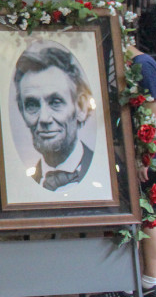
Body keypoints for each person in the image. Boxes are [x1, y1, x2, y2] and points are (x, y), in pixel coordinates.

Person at [88, 43, 156, 297]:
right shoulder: (145, 64)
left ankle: (128, 288)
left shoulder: (142, 66)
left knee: (144, 216)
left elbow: (154, 112)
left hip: (152, 159)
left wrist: (143, 157)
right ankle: (149, 285)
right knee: (149, 215)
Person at [13, 40, 96, 191]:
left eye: (56, 102)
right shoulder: (18, 186)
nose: (44, 118)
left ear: (81, 107)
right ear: (22, 111)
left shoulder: (104, 172)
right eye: (32, 105)